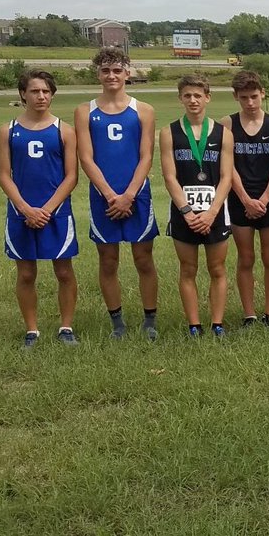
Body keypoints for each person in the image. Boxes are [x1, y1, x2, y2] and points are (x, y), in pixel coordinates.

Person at [74, 46, 160, 340]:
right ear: (97, 74)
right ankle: (118, 323)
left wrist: (129, 195)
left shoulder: (144, 110)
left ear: (127, 73)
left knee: (143, 259)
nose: (112, 75)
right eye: (105, 70)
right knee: (108, 260)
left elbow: (146, 156)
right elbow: (86, 158)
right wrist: (111, 195)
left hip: (137, 194)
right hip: (103, 197)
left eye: (117, 70)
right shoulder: (85, 111)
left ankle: (150, 321)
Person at [0, 70, 79, 348]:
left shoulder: (64, 130)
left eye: (46, 91)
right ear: (23, 94)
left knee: (65, 272)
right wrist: (24, 209)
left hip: (56, 213)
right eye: (34, 91)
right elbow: (4, 175)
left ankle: (66, 327)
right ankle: (32, 330)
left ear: (53, 94)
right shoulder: (8, 131)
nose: (41, 96)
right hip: (21, 214)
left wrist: (46, 209)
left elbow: (71, 176)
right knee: (27, 274)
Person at [159, 74, 234, 337]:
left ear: (207, 98)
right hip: (184, 213)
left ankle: (217, 324)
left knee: (217, 268)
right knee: (188, 269)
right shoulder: (169, 133)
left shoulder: (223, 133)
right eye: (187, 95)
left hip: (215, 212)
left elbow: (226, 177)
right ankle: (194, 324)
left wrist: (213, 211)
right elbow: (169, 177)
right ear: (180, 98)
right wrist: (187, 211)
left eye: (198, 95)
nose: (193, 100)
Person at [220, 71, 269, 328]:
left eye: (254, 97)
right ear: (236, 97)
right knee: (245, 258)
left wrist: (265, 199)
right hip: (239, 199)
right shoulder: (227, 124)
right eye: (244, 98)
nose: (250, 103)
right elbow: (228, 167)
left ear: (263, 94)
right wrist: (246, 199)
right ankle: (249, 314)